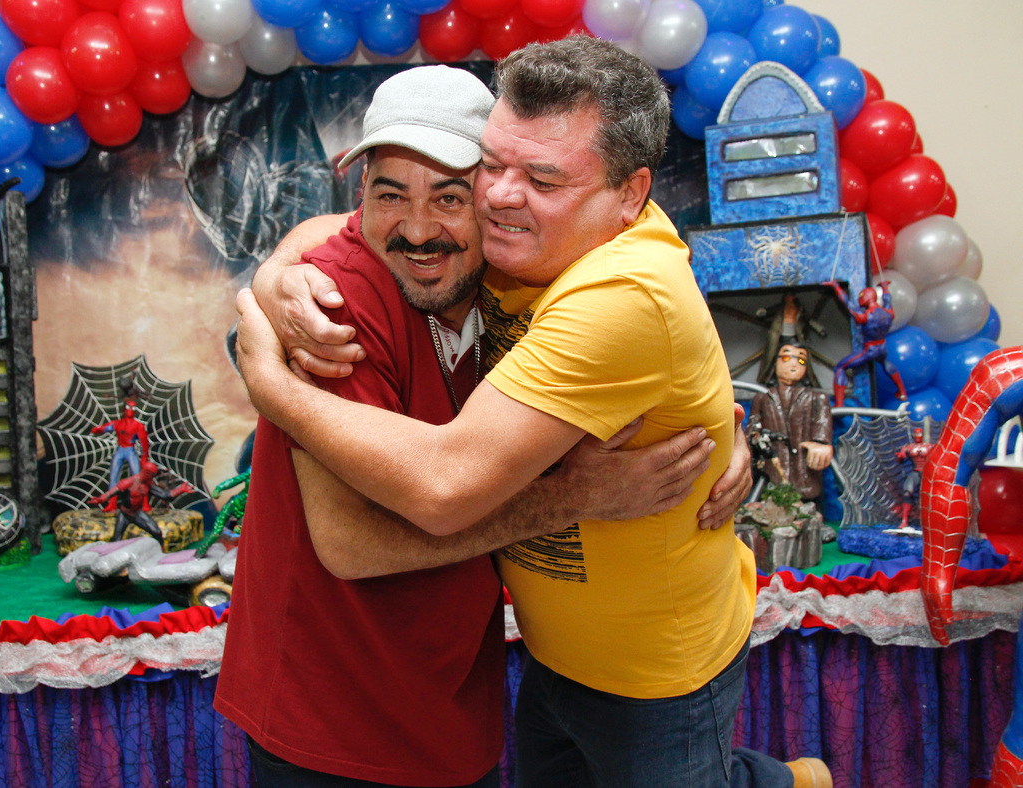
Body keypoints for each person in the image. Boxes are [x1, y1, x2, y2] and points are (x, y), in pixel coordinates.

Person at [235, 39, 829, 788]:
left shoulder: (563, 274)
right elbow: (352, 541)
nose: (420, 227)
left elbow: (451, 479)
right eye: (496, 168)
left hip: (632, 669)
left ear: (627, 194)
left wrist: (273, 388)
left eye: (454, 195)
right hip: (355, 708)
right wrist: (275, 277)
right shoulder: (363, 295)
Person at [746, 343, 834, 501]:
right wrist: (756, 441)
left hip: (805, 473)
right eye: (786, 358)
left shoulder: (817, 398)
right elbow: (751, 432)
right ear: (775, 362)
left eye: (801, 360)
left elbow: (822, 424)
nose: (794, 364)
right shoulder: (762, 398)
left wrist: (822, 444)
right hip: (772, 471)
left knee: (809, 503)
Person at [826, 279, 907, 407]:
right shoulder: (888, 313)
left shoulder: (864, 316)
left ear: (866, 298)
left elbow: (847, 303)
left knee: (840, 367)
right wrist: (885, 287)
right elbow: (887, 300)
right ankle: (902, 392)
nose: (859, 299)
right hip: (882, 347)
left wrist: (836, 286)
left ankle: (839, 404)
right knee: (885, 363)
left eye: (861, 297)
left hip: (870, 350)